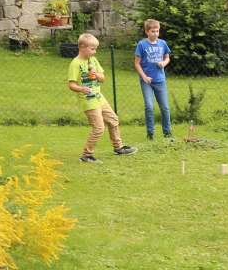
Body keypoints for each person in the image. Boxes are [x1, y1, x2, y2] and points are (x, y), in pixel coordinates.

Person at [67, 33, 136, 163]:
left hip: (99, 97)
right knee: (99, 128)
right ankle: (87, 155)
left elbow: (103, 78)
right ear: (82, 47)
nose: (95, 51)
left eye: (95, 48)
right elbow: (71, 84)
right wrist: (82, 89)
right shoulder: (75, 64)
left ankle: (118, 147)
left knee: (113, 120)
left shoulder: (93, 60)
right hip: (88, 100)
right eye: (92, 49)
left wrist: (96, 75)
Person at [133, 19, 173, 141]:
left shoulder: (162, 43)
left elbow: (167, 57)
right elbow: (137, 64)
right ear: (147, 32)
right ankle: (150, 134)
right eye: (152, 31)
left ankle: (167, 133)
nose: (155, 33)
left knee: (165, 108)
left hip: (160, 80)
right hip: (147, 82)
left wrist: (164, 63)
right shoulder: (142, 45)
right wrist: (144, 77)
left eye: (157, 31)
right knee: (149, 107)